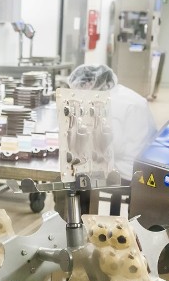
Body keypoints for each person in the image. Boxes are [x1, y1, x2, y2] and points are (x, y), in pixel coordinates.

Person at [61, 64, 158, 215]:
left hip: (125, 173)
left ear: (89, 84)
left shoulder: (109, 103)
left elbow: (111, 147)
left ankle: (83, 221)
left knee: (76, 183)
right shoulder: (124, 94)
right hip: (144, 166)